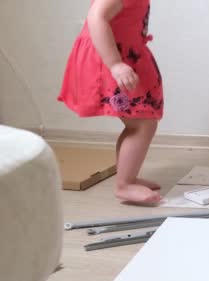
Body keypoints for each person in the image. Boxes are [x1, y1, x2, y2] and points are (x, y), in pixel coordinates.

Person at [58, 0, 163, 204]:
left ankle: (128, 178)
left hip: (122, 55)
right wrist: (115, 65)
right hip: (109, 59)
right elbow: (96, 17)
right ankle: (125, 185)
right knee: (141, 124)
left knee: (140, 122)